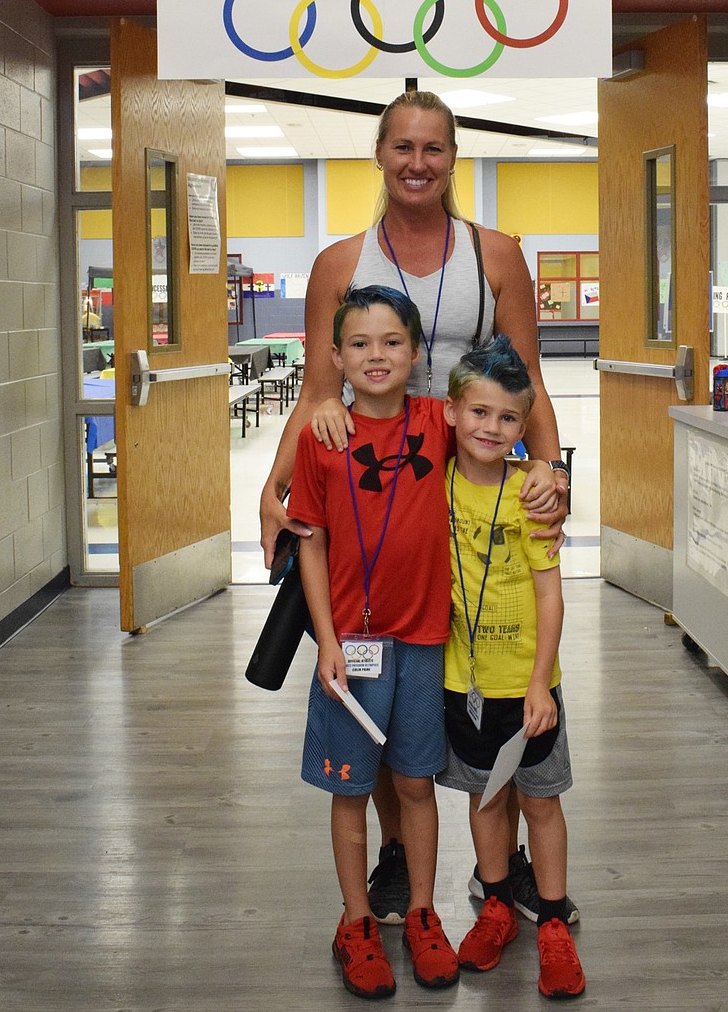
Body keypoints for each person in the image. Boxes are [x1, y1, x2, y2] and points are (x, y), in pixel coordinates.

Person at [259, 88, 571, 921]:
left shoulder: (496, 254)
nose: (417, 162)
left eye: (433, 148)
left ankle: (499, 860)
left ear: (453, 158)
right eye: (403, 146)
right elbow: (316, 390)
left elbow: (528, 381)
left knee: (469, 671)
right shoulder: (339, 263)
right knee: (385, 689)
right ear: (380, 155)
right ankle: (398, 853)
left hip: (468, 489)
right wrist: (273, 482)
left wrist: (552, 468)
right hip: (373, 498)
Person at [287, 285, 460, 1000]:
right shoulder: (321, 436)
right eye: (359, 344)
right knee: (351, 789)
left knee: (417, 784)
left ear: (417, 353)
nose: (377, 355)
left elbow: (511, 408)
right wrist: (325, 640)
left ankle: (422, 911)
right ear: (336, 357)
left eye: (392, 341)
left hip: (423, 640)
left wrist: (546, 470)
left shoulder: (439, 421)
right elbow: (312, 545)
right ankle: (357, 919)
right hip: (351, 647)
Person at [437, 335, 585, 999]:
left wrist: (539, 682)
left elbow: (551, 593)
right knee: (485, 798)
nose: (491, 428)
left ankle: (551, 919)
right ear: (450, 413)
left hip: (529, 688)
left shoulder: (533, 493)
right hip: (462, 685)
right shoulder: (432, 487)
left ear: (525, 427)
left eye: (507, 418)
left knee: (542, 801)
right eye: (479, 413)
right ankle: (496, 902)